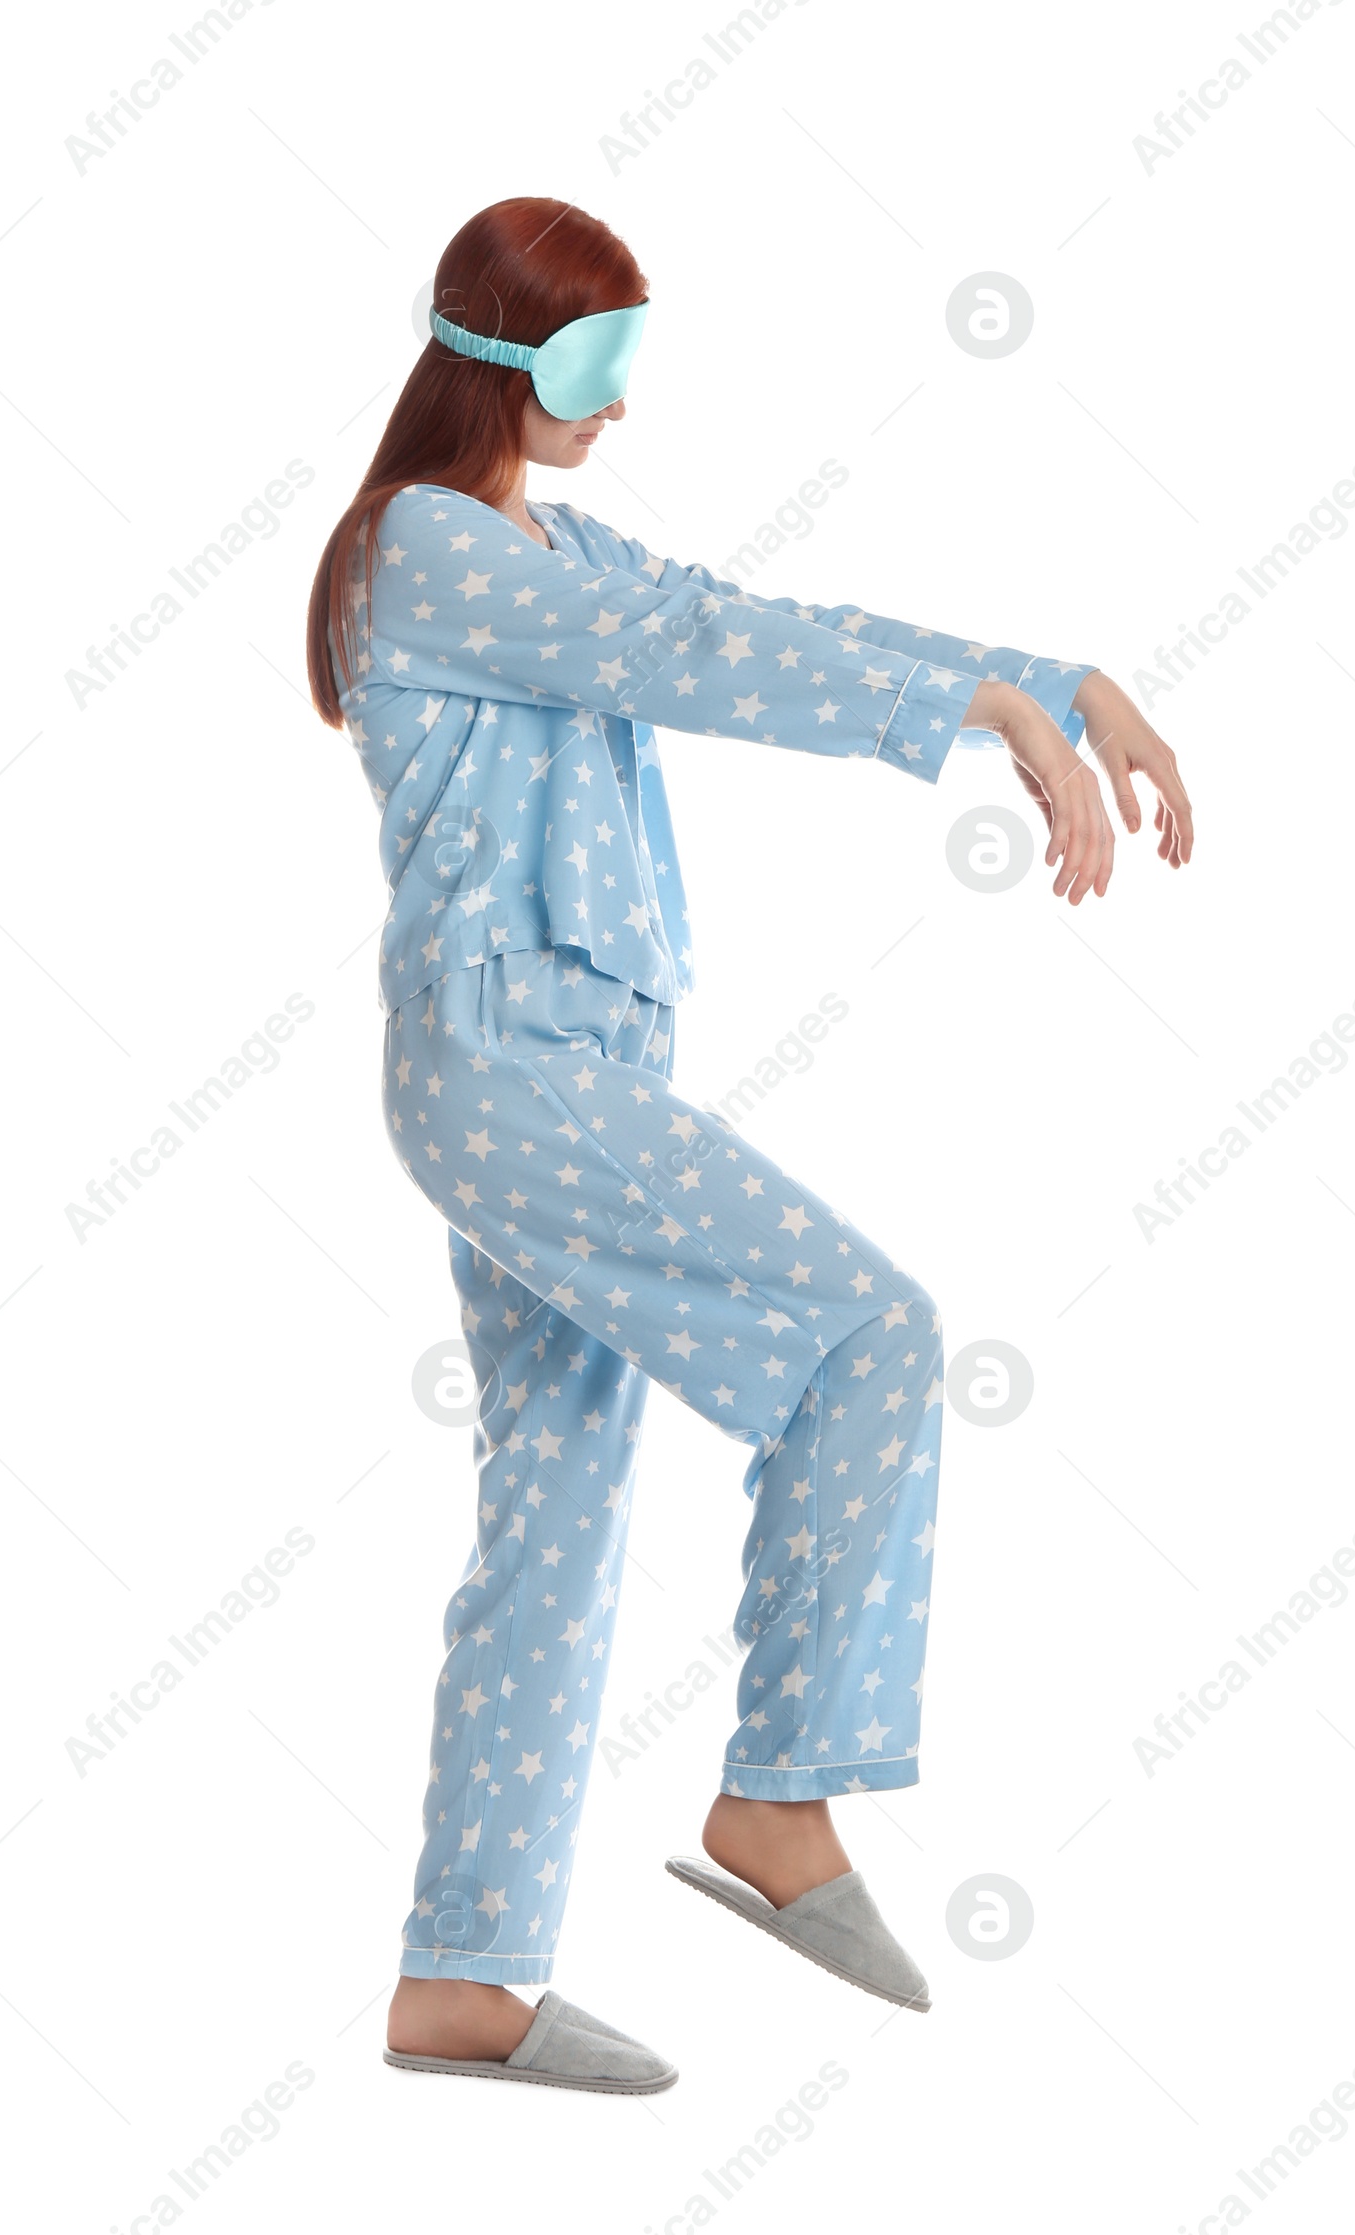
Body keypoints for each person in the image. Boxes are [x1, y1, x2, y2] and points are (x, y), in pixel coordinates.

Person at [305, 197, 1193, 2096]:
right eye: (592, 365)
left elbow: (762, 618)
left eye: (635, 361)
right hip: (516, 1067)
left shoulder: (552, 537)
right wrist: (970, 710)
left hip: (563, 1067)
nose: (621, 408)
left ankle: (464, 1976)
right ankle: (781, 1799)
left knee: (552, 1506)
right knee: (870, 1336)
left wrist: (1044, 678)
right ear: (496, 353)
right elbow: (687, 653)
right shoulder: (431, 551)